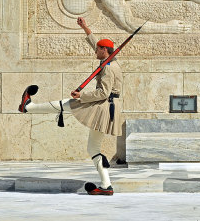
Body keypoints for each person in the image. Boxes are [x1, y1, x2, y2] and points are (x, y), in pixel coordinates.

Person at [18, 17, 123, 195]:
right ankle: (106, 186)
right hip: (108, 107)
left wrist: (82, 95)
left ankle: (28, 107)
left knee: (69, 103)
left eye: (98, 49)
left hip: (103, 106)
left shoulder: (109, 68)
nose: (95, 51)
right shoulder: (108, 61)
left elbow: (103, 93)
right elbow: (95, 44)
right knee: (93, 149)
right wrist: (85, 28)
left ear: (104, 50)